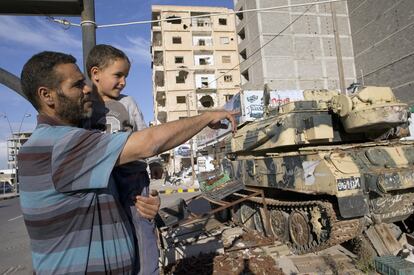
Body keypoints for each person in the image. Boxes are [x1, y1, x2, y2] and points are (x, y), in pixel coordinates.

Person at [18, 51, 237, 274]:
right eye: (77, 85)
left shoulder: (71, 142)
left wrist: (141, 202)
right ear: (47, 96)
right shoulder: (61, 145)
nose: (86, 89)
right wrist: (207, 117)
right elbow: (149, 143)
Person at [86, 44, 162, 275]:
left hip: (132, 175)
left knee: (141, 223)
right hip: (103, 178)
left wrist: (155, 161)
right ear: (95, 73)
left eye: (126, 76)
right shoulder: (85, 104)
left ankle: (148, 270)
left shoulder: (128, 103)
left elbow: (144, 133)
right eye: (118, 75)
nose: (123, 82)